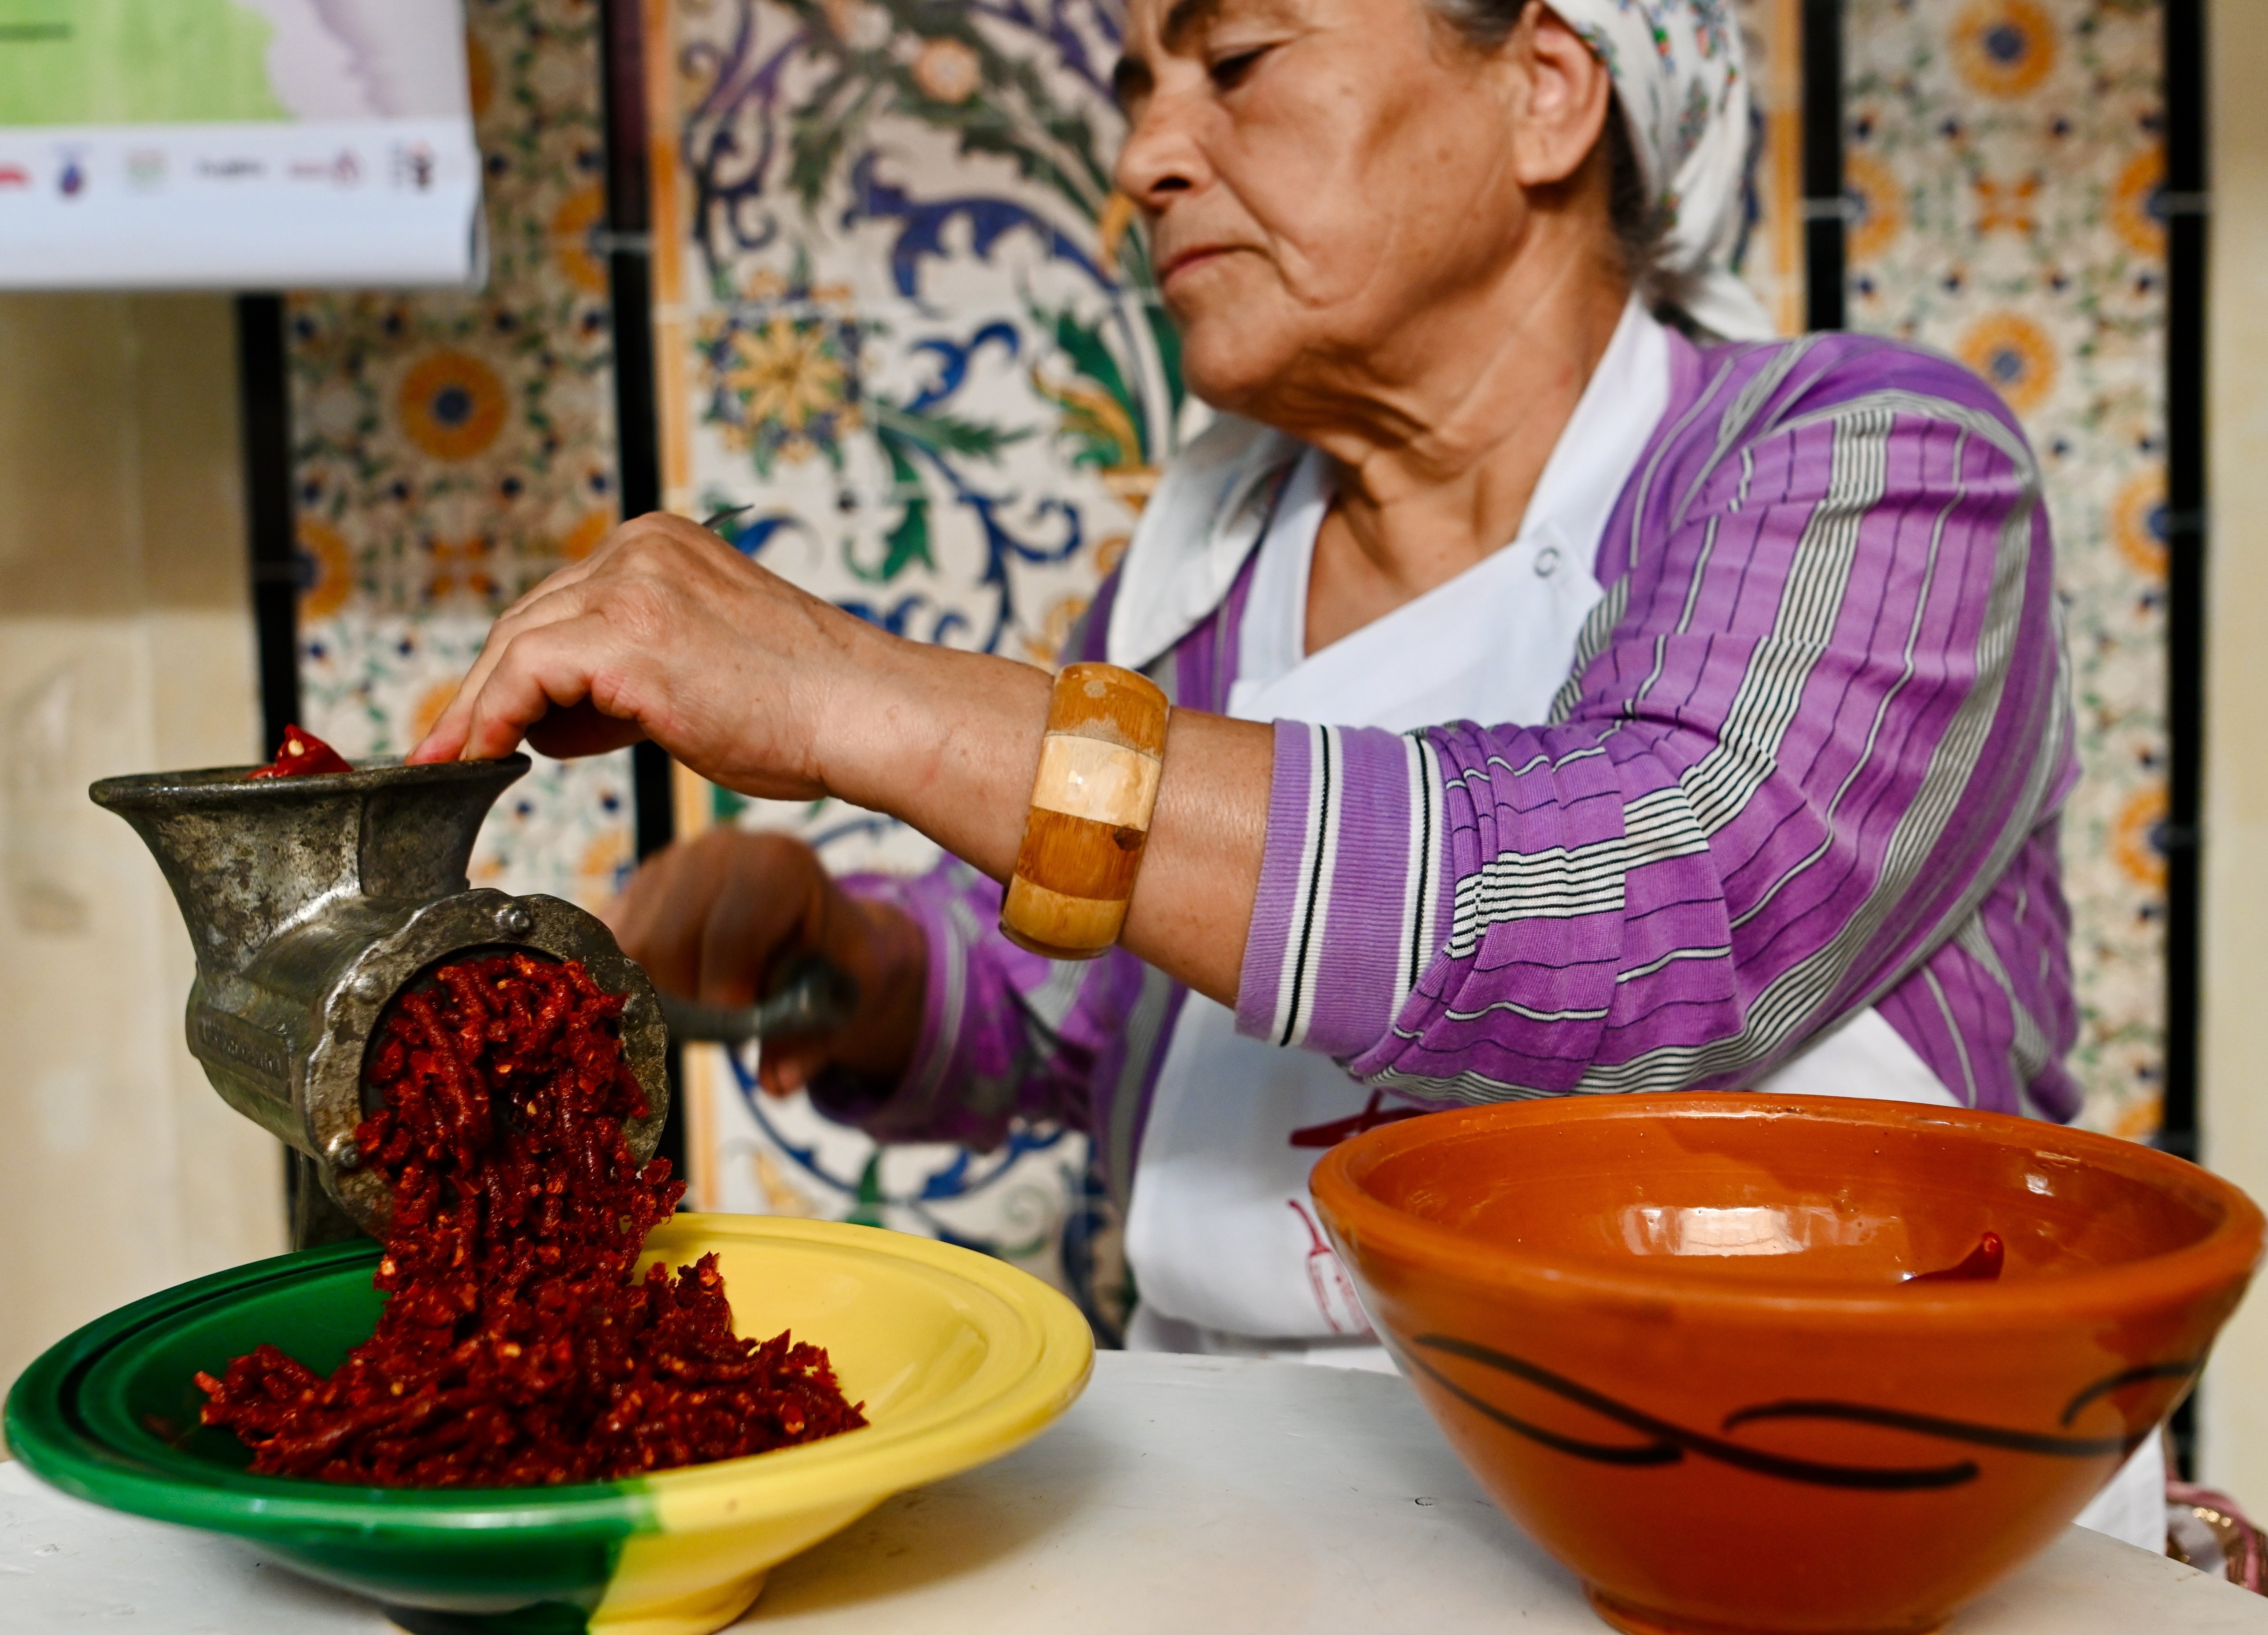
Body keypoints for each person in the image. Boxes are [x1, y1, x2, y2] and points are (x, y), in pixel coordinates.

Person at [419, 0, 2135, 1524]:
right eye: (1138, 87)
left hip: (1805, 1505)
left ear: (1546, 91)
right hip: (1259, 1501)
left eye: (1236, 61)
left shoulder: (1866, 463)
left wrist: (863, 698)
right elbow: (1064, 1004)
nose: (1149, 154)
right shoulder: (1204, 587)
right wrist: (844, 958)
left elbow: (1645, 890)